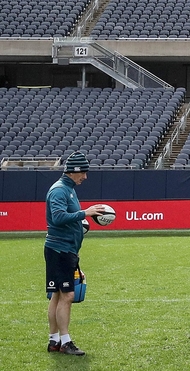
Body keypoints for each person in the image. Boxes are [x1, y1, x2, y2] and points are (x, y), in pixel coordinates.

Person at [45, 152, 105, 355]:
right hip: (60, 250)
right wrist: (85, 213)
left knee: (56, 295)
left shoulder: (67, 189)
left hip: (63, 249)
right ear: (74, 171)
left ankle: (54, 341)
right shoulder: (60, 190)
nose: (85, 177)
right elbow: (59, 217)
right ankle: (65, 342)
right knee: (67, 296)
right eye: (84, 172)